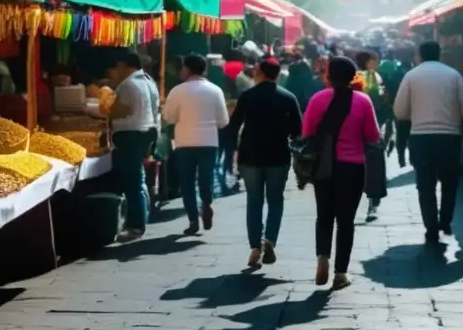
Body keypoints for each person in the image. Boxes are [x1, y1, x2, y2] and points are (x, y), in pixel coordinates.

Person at [301, 56, 380, 291]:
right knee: (346, 221)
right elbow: (372, 135)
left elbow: (306, 132)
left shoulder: (317, 100)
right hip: (352, 167)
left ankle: (322, 257)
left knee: (324, 215)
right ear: (353, 76)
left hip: (324, 167)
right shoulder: (363, 101)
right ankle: (340, 273)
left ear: (328, 76)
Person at [228, 58, 302, 269]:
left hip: (250, 155)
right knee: (275, 199)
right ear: (278, 75)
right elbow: (298, 130)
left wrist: (233, 150)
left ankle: (255, 247)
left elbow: (233, 126)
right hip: (278, 155)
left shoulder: (247, 96)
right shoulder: (288, 97)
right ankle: (270, 239)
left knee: (254, 200)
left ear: (259, 72)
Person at [394, 40, 463, 243]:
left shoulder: (411, 76)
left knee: (425, 184)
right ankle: (445, 220)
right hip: (449, 137)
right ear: (440, 54)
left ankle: (431, 227)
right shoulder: (453, 75)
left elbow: (400, 111)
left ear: (419, 55)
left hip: (421, 137)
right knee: (449, 182)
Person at [163, 53, 230, 235]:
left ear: (187, 69)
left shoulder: (177, 91)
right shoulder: (215, 90)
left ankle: (193, 219)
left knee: (187, 183)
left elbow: (169, 117)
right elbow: (223, 121)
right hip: (209, 141)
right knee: (206, 179)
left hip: (184, 142)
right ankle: (207, 203)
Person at [109, 51, 160, 242]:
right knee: (138, 179)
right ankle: (140, 219)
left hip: (130, 135)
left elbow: (121, 111)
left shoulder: (128, 84)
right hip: (147, 132)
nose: (117, 71)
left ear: (126, 66)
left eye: (118, 67)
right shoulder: (149, 82)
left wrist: (106, 110)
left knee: (133, 182)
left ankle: (136, 225)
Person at [356, 50, 388, 221]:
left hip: (355, 128)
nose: (377, 63)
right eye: (375, 60)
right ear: (368, 62)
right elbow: (381, 98)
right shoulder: (372, 76)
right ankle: (372, 204)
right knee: (374, 166)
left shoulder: (353, 76)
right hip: (373, 127)